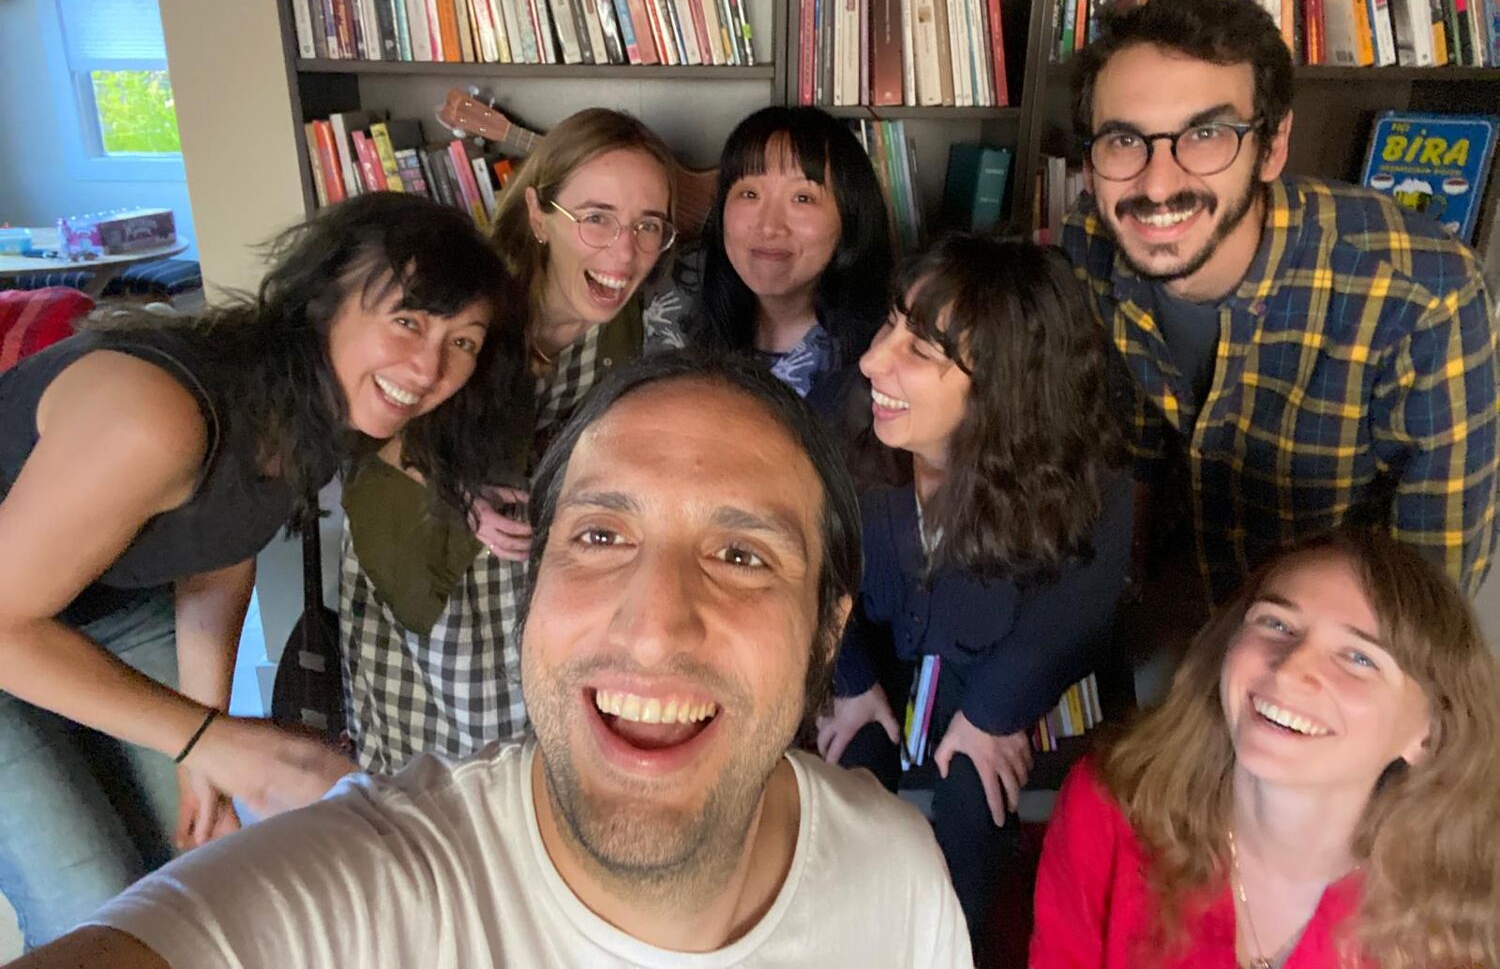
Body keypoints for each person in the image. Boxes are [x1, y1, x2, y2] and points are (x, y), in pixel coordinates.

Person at [18, 351, 973, 969]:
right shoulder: (378, 890)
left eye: (741, 554)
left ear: (826, 627)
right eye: (599, 537)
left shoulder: (900, 874)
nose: (653, 629)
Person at [0, 192, 523, 949]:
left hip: (95, 604)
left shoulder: (312, 415)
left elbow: (217, 551)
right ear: (323, 299)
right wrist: (207, 738)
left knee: (190, 866)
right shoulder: (154, 416)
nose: (430, 366)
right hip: (11, 618)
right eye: (407, 319)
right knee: (90, 900)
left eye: (465, 340)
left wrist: (201, 742)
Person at [1062, 0, 1499, 609]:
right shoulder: (1091, 240)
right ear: (1090, 160)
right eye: (1125, 141)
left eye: (1206, 134)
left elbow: (1429, 598)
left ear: (1272, 147)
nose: (1157, 185)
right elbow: (1132, 454)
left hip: (1323, 647)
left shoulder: (1427, 298)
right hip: (1168, 601)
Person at [815, 233, 1133, 956]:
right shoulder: (845, 413)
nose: (872, 361)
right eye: (890, 323)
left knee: (975, 793)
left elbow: (1073, 616)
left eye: (919, 351)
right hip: (879, 653)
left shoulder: (1080, 476)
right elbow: (810, 559)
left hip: (1010, 669)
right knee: (852, 766)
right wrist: (851, 676)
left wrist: (995, 714)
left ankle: (958, 944)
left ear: (1005, 389)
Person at [339, 107, 678, 774]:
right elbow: (355, 430)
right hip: (433, 560)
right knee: (442, 785)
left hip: (549, 582)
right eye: (597, 216)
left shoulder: (638, 330)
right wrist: (456, 491)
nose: (624, 249)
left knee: (546, 775)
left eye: (649, 225)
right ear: (539, 214)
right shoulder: (464, 301)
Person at [1031, 527, 1500, 968]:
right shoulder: (1111, 808)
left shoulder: (1463, 911)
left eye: (1359, 658)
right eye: (1276, 623)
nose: (1292, 668)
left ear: (1429, 732)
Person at [646, 105, 893, 414]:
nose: (769, 226)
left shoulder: (890, 347)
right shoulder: (677, 295)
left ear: (850, 216)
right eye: (749, 194)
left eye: (803, 198)